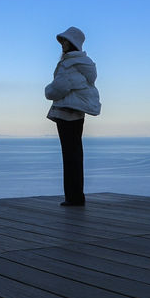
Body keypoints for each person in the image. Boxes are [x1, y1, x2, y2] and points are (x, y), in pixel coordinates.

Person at [44, 26, 101, 206]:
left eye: (66, 41)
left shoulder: (69, 64)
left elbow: (56, 90)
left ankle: (73, 197)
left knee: (70, 156)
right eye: (62, 41)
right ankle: (76, 196)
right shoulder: (83, 65)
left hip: (65, 112)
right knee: (75, 154)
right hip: (76, 113)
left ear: (73, 43)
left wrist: (46, 90)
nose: (63, 44)